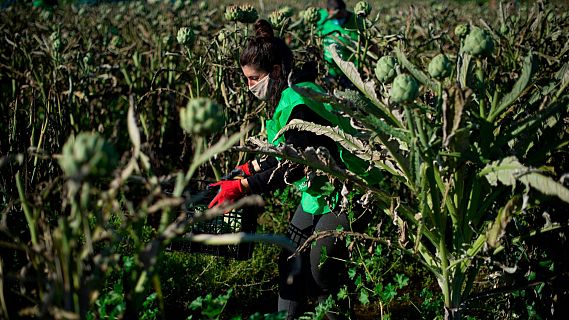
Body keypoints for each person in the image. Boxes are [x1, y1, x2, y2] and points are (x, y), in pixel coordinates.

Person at [207, 19, 378, 319]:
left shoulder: (298, 101)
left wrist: (245, 186)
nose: (249, 87)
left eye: (253, 78)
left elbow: (295, 165)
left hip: (348, 190)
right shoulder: (283, 97)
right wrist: (247, 169)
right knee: (290, 264)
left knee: (321, 270)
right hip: (318, 191)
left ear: (274, 72)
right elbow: (281, 151)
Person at [316, 0, 362, 87]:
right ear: (327, 11)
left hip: (348, 72)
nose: (337, 19)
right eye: (334, 17)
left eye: (340, 16)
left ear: (344, 9)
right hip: (326, 70)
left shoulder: (356, 22)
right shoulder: (320, 17)